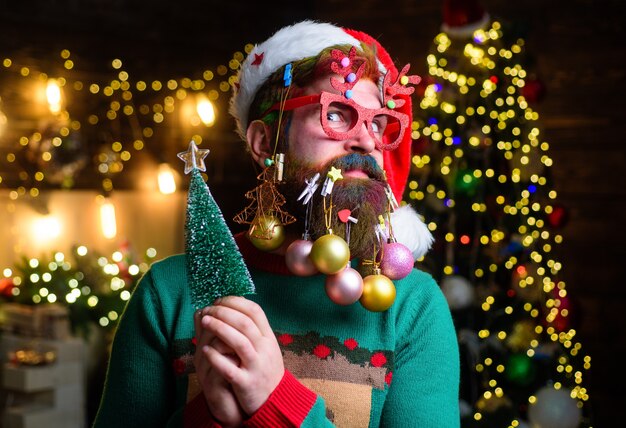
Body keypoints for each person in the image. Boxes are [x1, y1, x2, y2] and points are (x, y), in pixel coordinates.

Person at [93, 20, 459, 427]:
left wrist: (274, 401)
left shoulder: (413, 305)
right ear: (264, 142)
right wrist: (211, 417)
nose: (367, 141)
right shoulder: (168, 294)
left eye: (376, 123)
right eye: (336, 114)